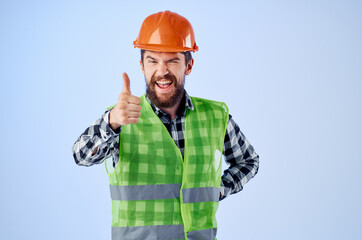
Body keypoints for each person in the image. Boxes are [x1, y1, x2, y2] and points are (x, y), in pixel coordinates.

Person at [72, 10, 259, 240]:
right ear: (142, 66)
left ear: (188, 66)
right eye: (153, 61)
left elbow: (248, 161)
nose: (162, 71)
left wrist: (219, 189)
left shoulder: (215, 117)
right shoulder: (122, 118)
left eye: (172, 61)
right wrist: (111, 122)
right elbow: (81, 155)